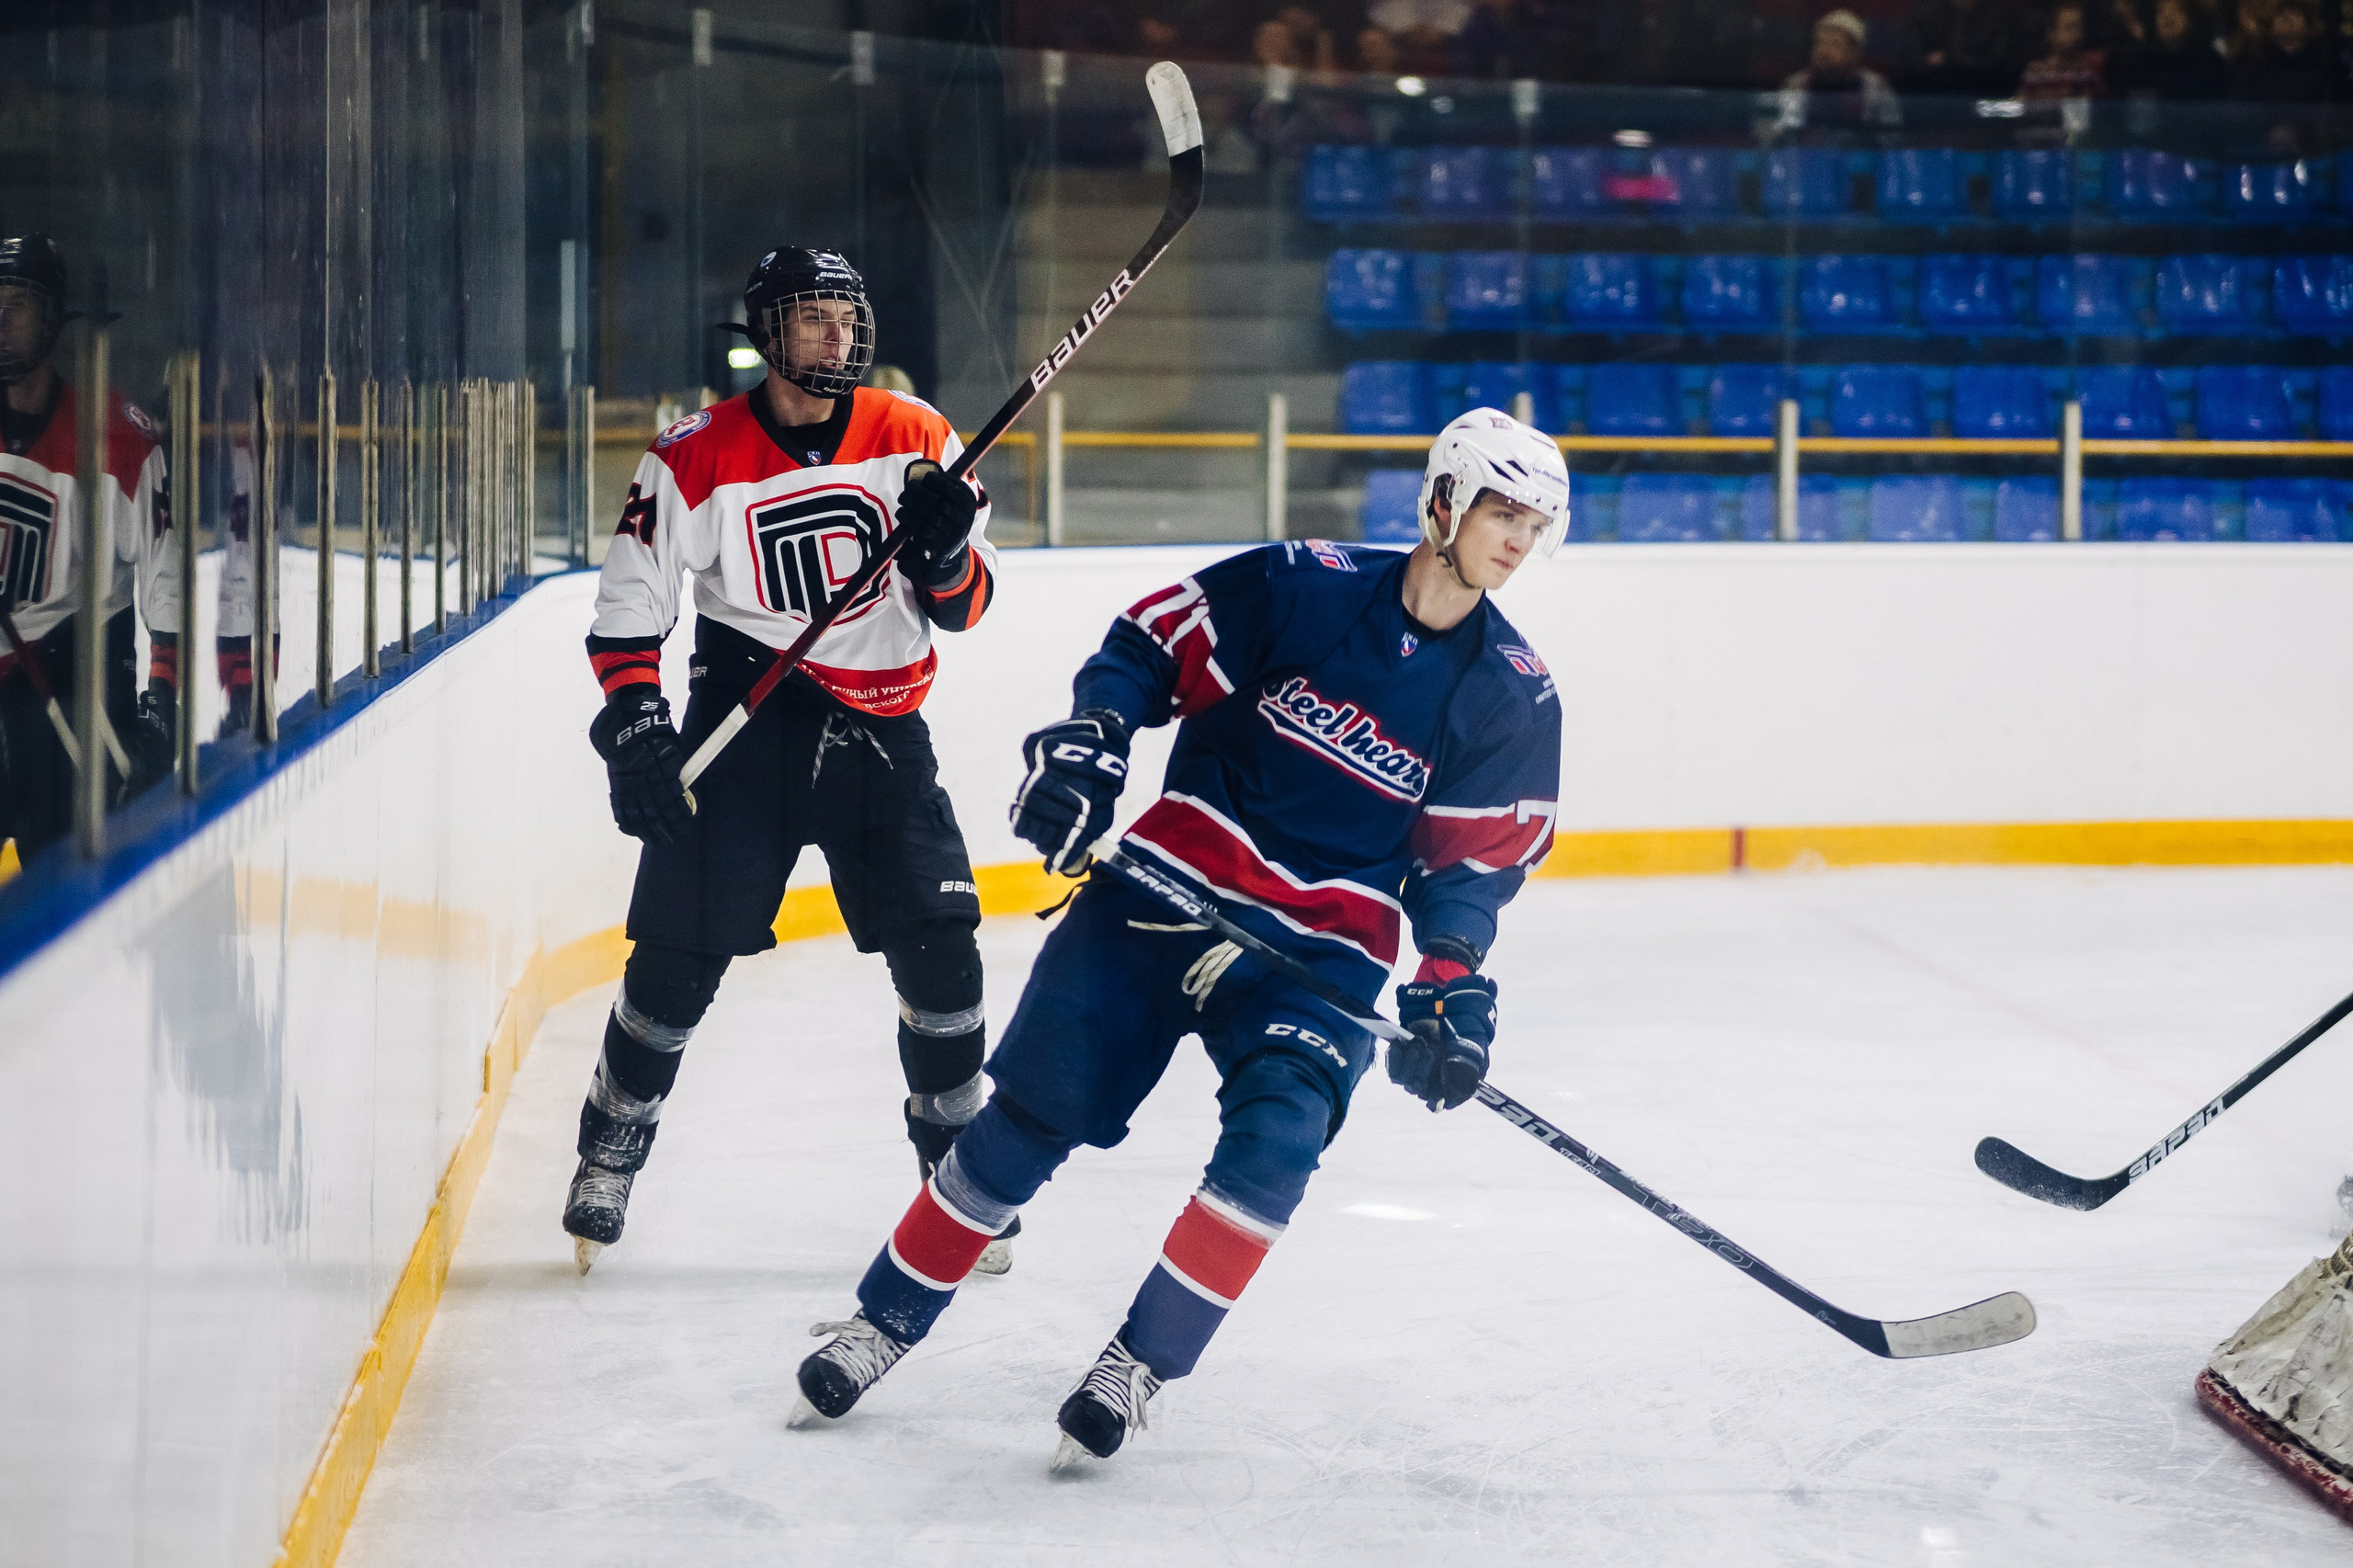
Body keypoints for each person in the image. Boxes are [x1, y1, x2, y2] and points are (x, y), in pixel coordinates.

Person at [790, 406, 1568, 1465]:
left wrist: (1447, 981)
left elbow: (1466, 870)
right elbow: (1147, 644)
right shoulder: (1305, 584)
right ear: (1442, 501)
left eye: (1535, 522)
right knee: (1027, 1117)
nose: (1518, 539)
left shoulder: (1512, 695)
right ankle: (882, 1319)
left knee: (1279, 1139)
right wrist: (1092, 745)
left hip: (1321, 952)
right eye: (1500, 510)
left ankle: (1138, 1361)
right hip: (1169, 888)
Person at [564, 247, 1004, 1276]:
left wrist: (943, 555)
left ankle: (956, 1175)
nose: (835, 339)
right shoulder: (689, 455)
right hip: (745, 727)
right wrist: (634, 726)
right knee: (673, 962)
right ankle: (610, 1149)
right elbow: (629, 610)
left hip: (883, 738)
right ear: (768, 332)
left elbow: (969, 607)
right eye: (812, 320)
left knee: (945, 955)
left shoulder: (918, 436)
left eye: (846, 320)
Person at [0, 233, 176, 867]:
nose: (0, 320)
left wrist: (162, 699)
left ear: (51, 317)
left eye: (16, 304)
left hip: (68, 704)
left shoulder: (117, 440)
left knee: (70, 898)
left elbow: (166, 577)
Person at [1775, 10, 1904, 139]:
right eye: (1820, 43)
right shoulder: (1797, 84)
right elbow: (1784, 135)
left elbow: (1892, 139)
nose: (1824, 51)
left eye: (1835, 44)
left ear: (1854, 53)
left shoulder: (1874, 87)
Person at [2109, 0, 2229, 100]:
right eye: (2161, 11)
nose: (2167, 17)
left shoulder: (2210, 63)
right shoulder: (2142, 62)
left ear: (2193, 18)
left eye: (2176, 10)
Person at [2019, 2, 2110, 97]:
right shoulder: (2035, 72)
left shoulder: (2084, 73)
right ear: (2051, 33)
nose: (2075, 34)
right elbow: (2021, 103)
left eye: (2078, 28)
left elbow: (2092, 106)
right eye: (2069, 28)